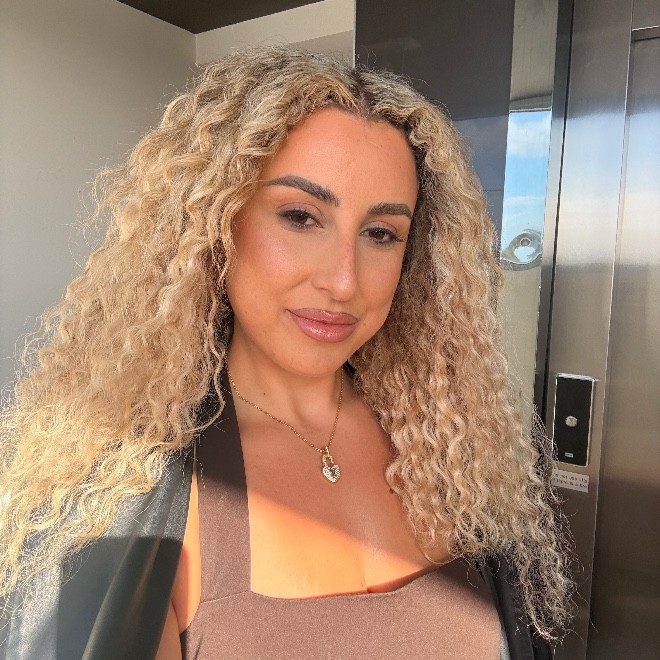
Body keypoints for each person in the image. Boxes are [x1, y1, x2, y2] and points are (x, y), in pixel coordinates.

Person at [0, 48, 572, 659]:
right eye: (300, 217)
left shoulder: (455, 450)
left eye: (381, 233)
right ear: (217, 223)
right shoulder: (130, 488)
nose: (343, 281)